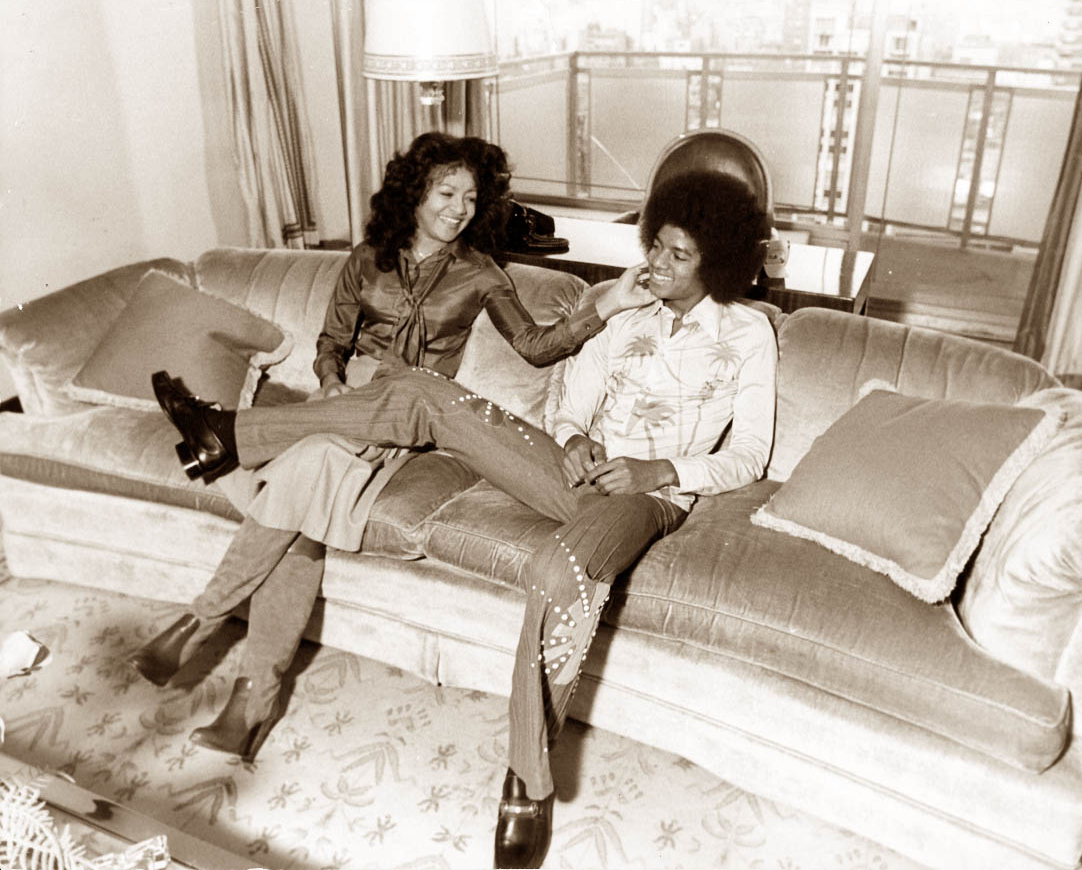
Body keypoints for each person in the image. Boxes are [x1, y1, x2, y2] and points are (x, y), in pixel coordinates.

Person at [152, 168, 776, 869]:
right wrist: (573, 436)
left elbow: (750, 455)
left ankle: (527, 782)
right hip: (569, 474)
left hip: (645, 499)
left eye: (678, 255)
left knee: (556, 566)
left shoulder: (749, 333)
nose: (656, 263)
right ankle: (230, 433)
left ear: (718, 264)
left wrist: (658, 471)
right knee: (422, 388)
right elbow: (568, 403)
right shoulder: (624, 311)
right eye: (655, 245)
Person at [127, 131, 653, 766]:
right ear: (415, 193)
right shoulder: (368, 258)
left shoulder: (482, 274)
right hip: (345, 402)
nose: (459, 209)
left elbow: (537, 347)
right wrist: (329, 384)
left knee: (322, 461)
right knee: (306, 501)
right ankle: (250, 704)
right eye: (446, 193)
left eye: (471, 198)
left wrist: (608, 303)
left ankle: (200, 619)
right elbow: (331, 342)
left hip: (404, 415)